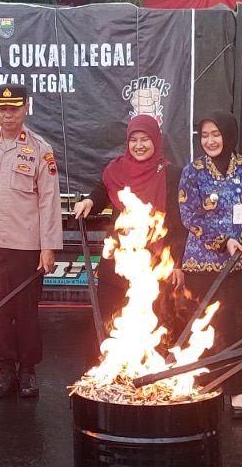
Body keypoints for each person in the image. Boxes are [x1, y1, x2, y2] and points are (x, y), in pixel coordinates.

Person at [0, 83, 62, 399]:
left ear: (26, 108)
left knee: (26, 310)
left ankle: (28, 371)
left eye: (14, 108)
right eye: (2, 109)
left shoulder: (40, 149)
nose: (8, 115)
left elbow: (49, 200)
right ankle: (5, 371)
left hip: (26, 246)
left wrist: (48, 246)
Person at [178, 109, 242, 417]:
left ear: (229, 135)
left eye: (216, 134)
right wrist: (223, 241)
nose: (210, 140)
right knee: (203, 326)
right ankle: (203, 387)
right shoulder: (193, 171)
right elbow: (190, 216)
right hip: (201, 265)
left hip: (241, 263)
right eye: (204, 135)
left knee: (236, 325)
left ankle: (236, 390)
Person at [71, 113, 186, 330]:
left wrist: (177, 263)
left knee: (152, 329)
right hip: (117, 263)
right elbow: (103, 190)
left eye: (145, 139)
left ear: (156, 140)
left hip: (155, 266)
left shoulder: (172, 174)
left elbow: (178, 223)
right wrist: (89, 201)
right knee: (108, 325)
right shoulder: (117, 169)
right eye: (134, 140)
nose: (139, 145)